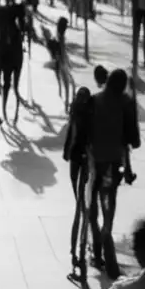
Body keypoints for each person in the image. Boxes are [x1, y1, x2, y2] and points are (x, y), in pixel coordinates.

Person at [87, 68, 138, 276]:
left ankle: (96, 249)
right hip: (114, 163)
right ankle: (107, 255)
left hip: (94, 160)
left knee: (93, 203)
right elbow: (133, 139)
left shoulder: (94, 99)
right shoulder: (126, 103)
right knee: (109, 207)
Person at [63, 82, 93, 277]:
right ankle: (80, 249)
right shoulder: (92, 116)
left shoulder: (75, 114)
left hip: (75, 160)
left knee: (78, 206)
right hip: (86, 161)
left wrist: (66, 152)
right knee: (82, 208)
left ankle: (75, 251)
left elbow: (71, 136)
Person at [43, 13, 72, 113]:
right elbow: (62, 51)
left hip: (61, 63)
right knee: (67, 86)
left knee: (66, 85)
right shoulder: (61, 37)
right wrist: (64, 61)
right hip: (61, 63)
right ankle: (66, 107)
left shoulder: (59, 35)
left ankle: (65, 103)